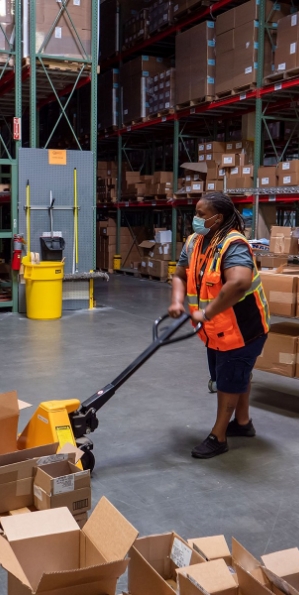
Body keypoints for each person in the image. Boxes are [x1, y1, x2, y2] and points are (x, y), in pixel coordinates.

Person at [168, 192, 269, 459]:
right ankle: (243, 423)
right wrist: (178, 302)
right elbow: (179, 273)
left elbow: (239, 282)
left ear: (218, 217)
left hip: (244, 329)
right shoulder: (195, 242)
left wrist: (207, 312)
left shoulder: (233, 244)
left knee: (228, 381)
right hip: (218, 329)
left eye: (202, 214)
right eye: (196, 213)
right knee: (236, 376)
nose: (196, 219)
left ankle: (219, 436)